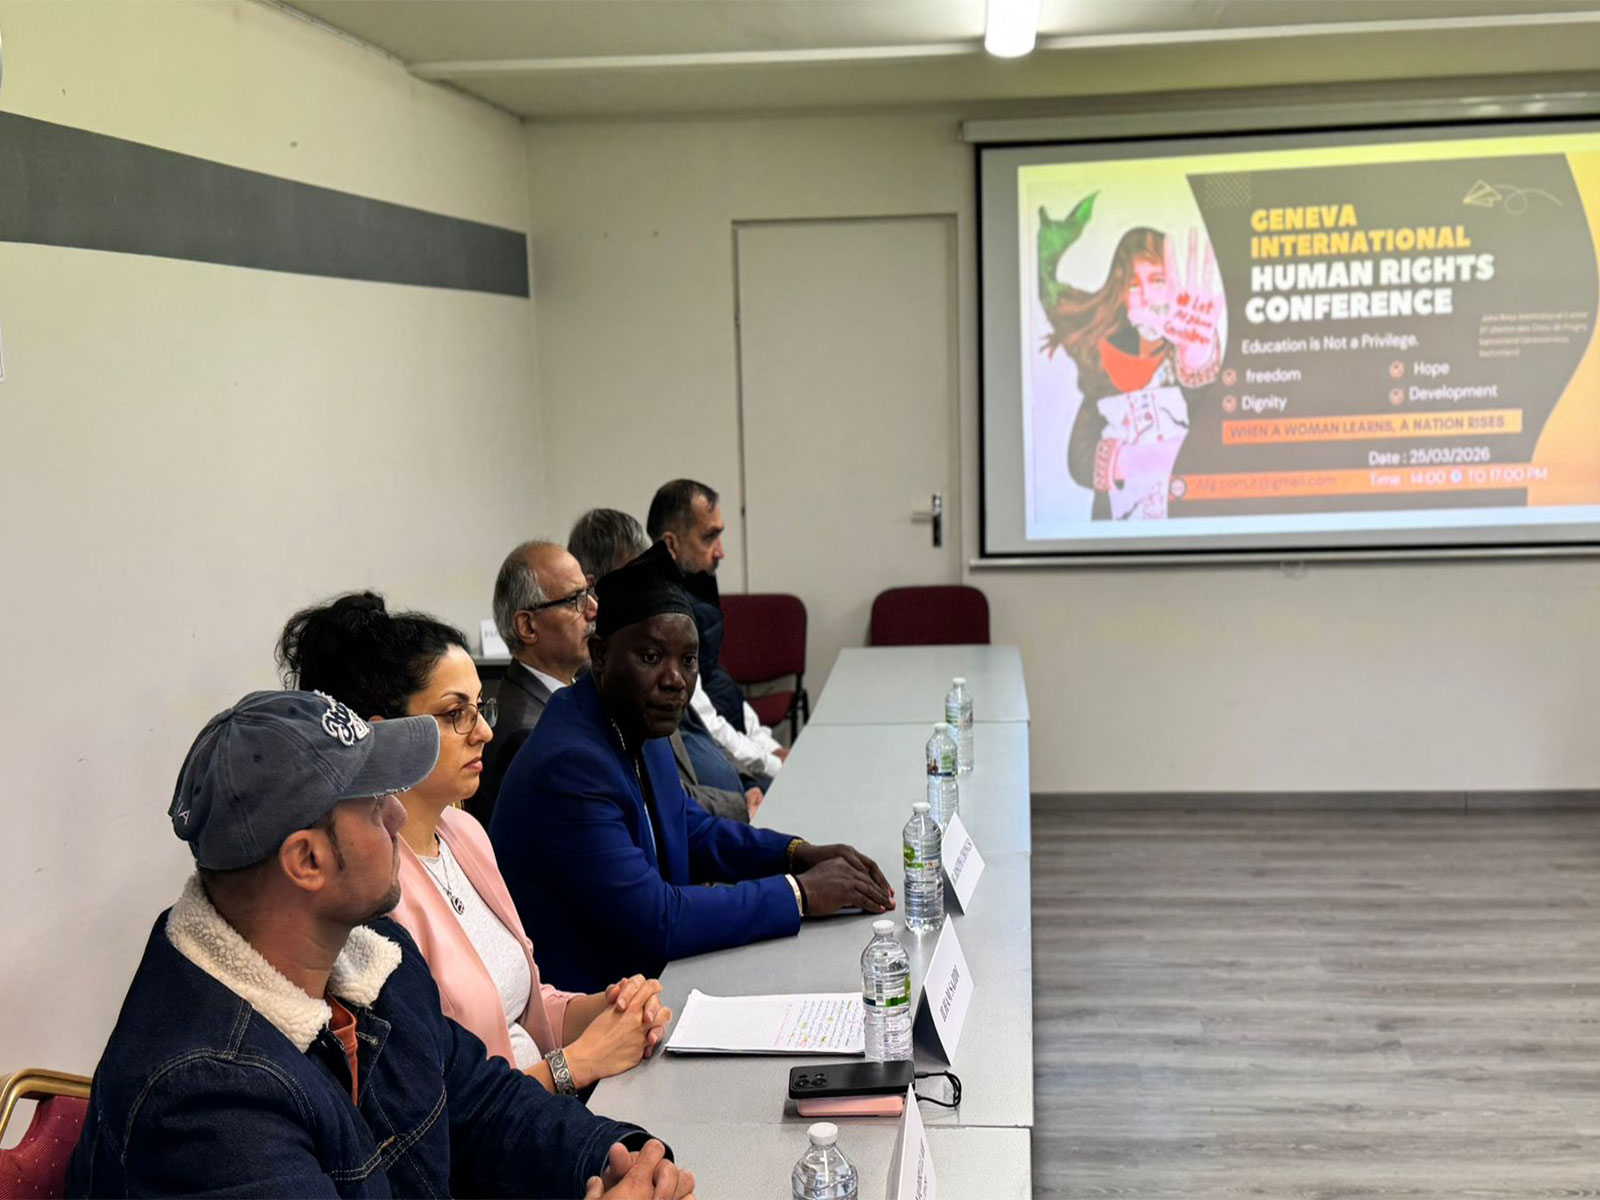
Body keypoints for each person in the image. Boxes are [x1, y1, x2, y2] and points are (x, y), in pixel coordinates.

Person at [68, 690, 693, 1199]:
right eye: (372, 805)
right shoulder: (205, 1102)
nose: (398, 815)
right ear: (307, 860)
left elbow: (482, 1105)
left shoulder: (373, 959)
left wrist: (620, 1157)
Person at [277, 593, 670, 1097]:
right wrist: (580, 1062)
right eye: (455, 713)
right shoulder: (370, 889)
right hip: (497, 1150)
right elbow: (437, 1106)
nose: (484, 730)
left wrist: (610, 1006)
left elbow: (527, 1009)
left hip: (546, 1114)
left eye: (480, 707)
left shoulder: (464, 833)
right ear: (387, 738)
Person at [490, 542, 893, 993]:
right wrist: (799, 894)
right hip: (591, 1013)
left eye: (687, 660)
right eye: (650, 657)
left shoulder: (635, 719)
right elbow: (658, 919)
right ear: (600, 655)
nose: (675, 680)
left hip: (654, 983)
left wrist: (796, 853)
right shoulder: (569, 763)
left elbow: (689, 829)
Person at [570, 508, 761, 823]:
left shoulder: (666, 653)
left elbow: (705, 732)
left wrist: (749, 782)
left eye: (688, 659)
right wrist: (740, 804)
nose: (674, 678)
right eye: (636, 578)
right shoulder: (617, 681)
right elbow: (666, 800)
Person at [1038, 211, 1223, 521]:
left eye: (1158, 280)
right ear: (1121, 294)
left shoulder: (1190, 350)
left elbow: (1212, 426)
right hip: (1119, 538)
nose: (1147, 295)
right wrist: (1142, 460)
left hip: (1189, 530)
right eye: (1133, 285)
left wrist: (1196, 357)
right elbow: (1080, 458)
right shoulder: (1109, 364)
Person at [646, 479, 789, 781]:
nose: (720, 552)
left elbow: (718, 680)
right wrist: (771, 764)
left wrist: (767, 745)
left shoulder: (697, 584)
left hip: (742, 753)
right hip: (722, 765)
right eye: (709, 537)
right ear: (671, 544)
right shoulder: (664, 614)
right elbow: (702, 719)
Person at [474, 540, 598, 826]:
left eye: (589, 592)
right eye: (575, 600)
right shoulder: (525, 734)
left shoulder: (572, 692)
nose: (593, 609)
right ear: (528, 626)